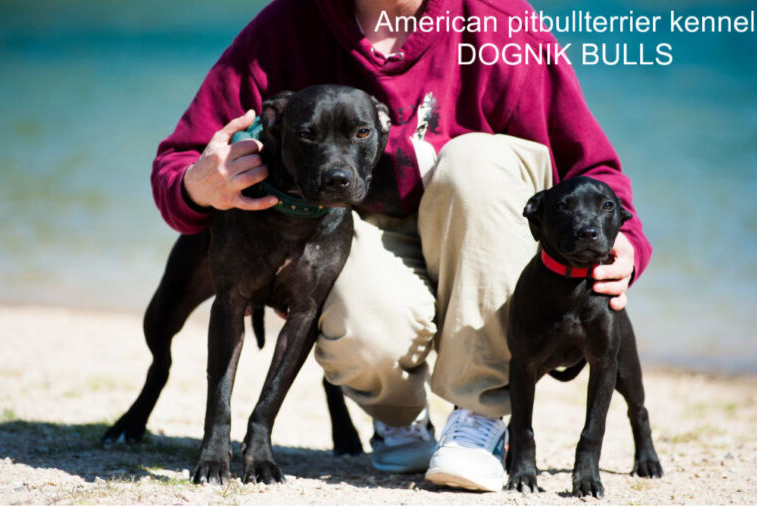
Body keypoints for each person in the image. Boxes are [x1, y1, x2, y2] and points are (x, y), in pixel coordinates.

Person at [151, 0, 651, 493]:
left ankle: (480, 415)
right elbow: (180, 159)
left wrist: (625, 244)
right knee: (347, 294)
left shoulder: (498, 23)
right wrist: (199, 185)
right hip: (365, 232)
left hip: (483, 231)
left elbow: (593, 167)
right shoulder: (288, 24)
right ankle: (399, 418)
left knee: (473, 160)